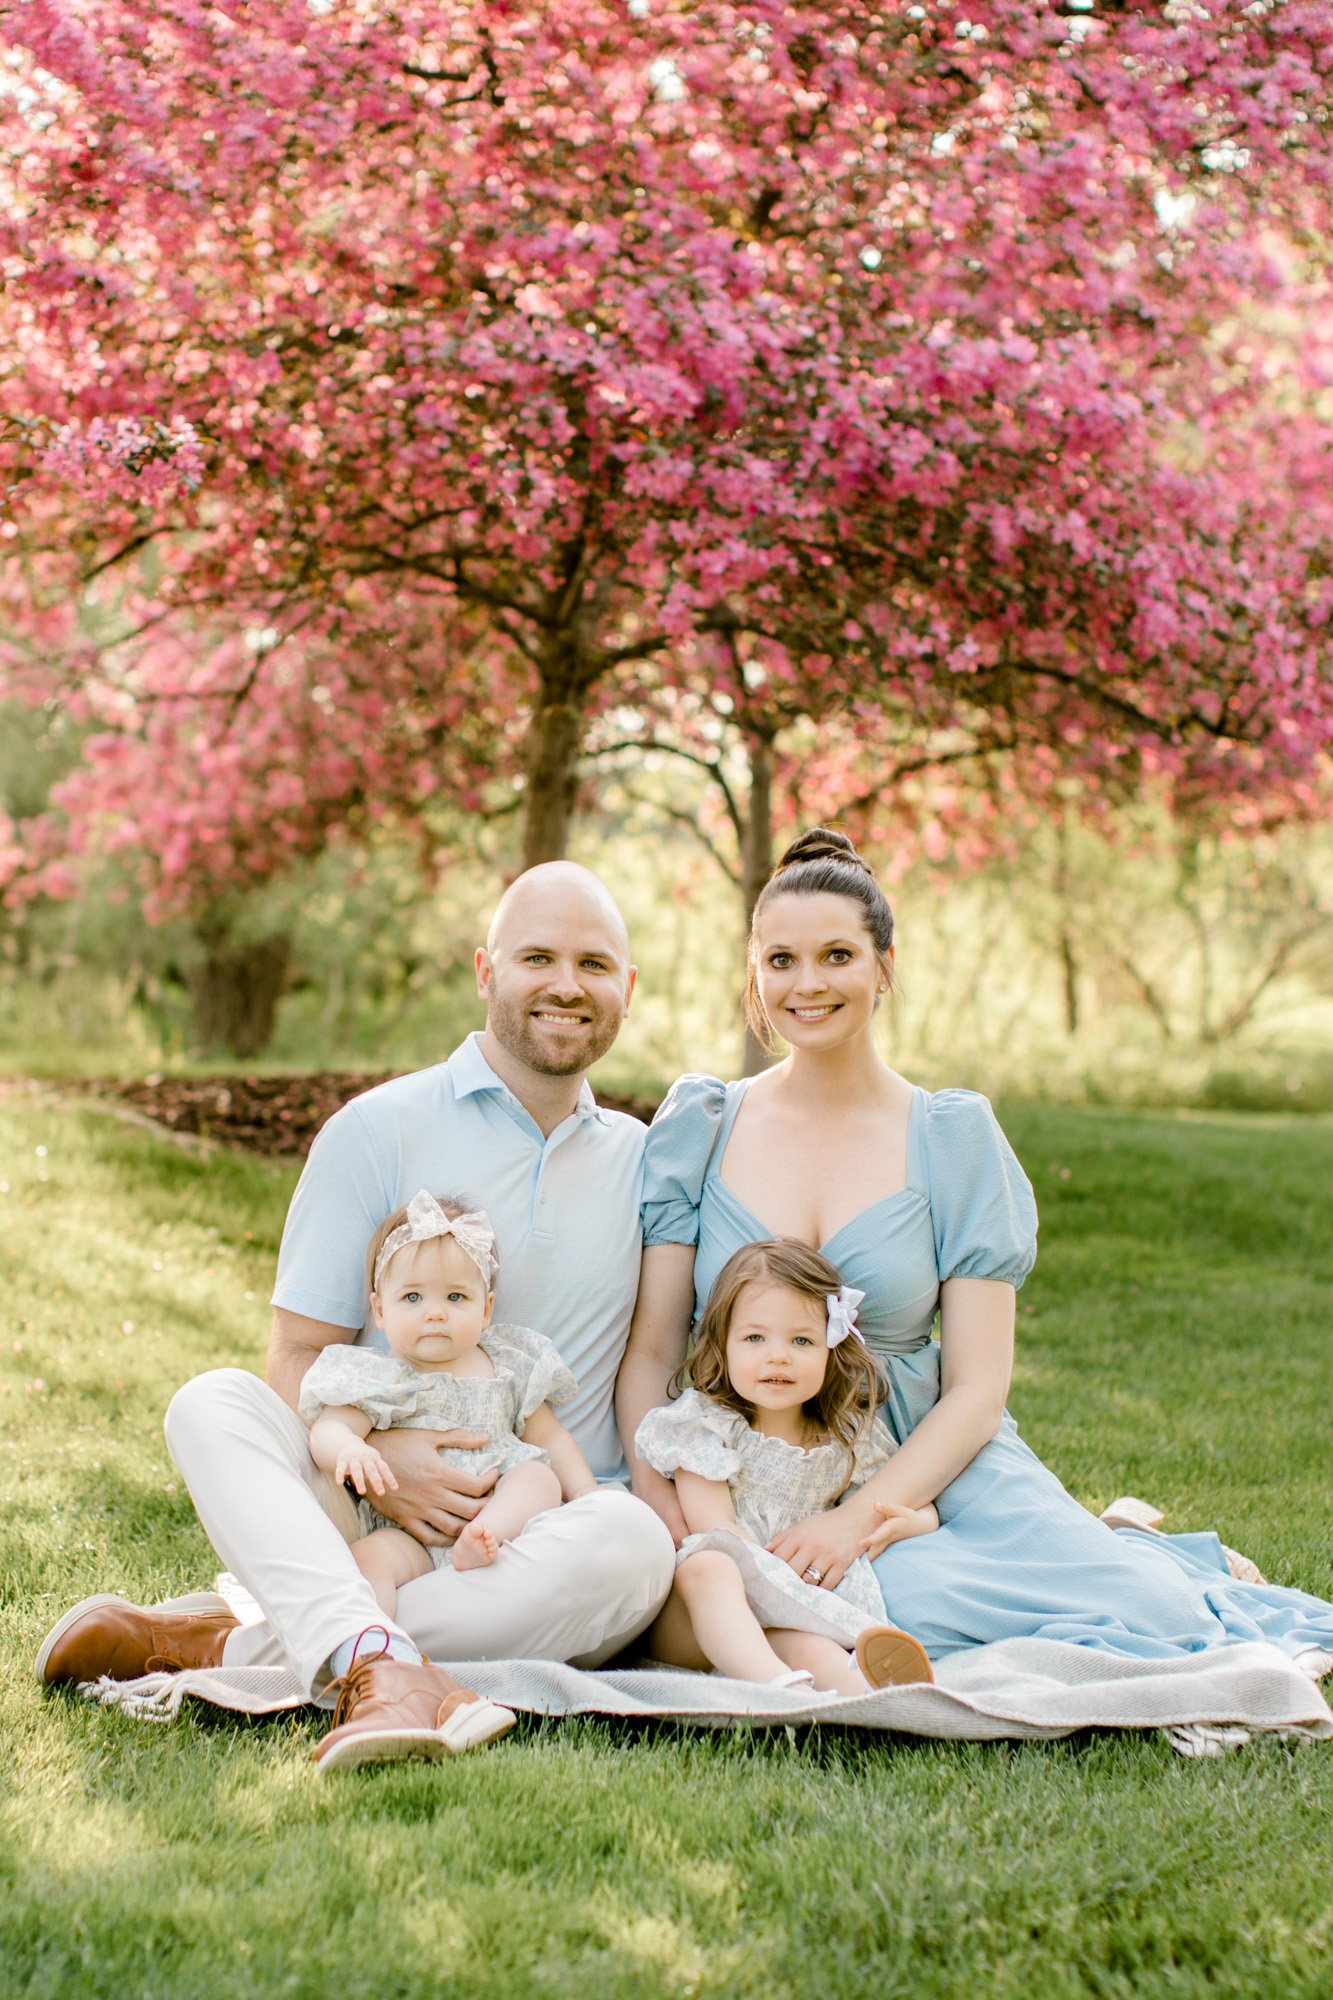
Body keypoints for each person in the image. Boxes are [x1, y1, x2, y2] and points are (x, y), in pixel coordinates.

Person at [617, 827, 1333, 1667]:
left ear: (884, 967)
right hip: (739, 1462)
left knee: (1151, 1618)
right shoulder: (701, 1124)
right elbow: (654, 1350)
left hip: (922, 1461)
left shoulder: (949, 1136)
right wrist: (661, 1499)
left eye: (837, 955)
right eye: (780, 961)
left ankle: (1123, 1556)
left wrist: (857, 1520)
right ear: (754, 972)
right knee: (681, 1596)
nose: (806, 984)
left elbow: (978, 1389)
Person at [38, 863, 676, 1769]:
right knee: (209, 1403)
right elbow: (299, 1356)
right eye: (537, 957)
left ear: (628, 988)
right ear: (486, 971)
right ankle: (369, 1655)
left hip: (536, 1541)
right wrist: (390, 1466)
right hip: (367, 1499)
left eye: (593, 964)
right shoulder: (376, 1129)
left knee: (632, 1546)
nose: (567, 985)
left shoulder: (644, 1163)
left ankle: (249, 1646)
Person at [635, 1237, 936, 1694]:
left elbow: (908, 1503)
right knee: (709, 1565)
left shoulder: (846, 1437)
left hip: (784, 1623)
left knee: (813, 1652)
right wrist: (796, 1588)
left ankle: (864, 1696)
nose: (778, 1355)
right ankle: (783, 1680)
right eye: (755, 1338)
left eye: (801, 1340)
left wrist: (909, 1522)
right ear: (723, 1344)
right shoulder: (707, 1424)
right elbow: (715, 1529)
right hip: (700, 1618)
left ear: (831, 1349)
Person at [304, 1190, 597, 1612]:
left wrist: (587, 1494)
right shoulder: (377, 1376)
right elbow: (330, 1428)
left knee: (539, 1478)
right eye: (413, 1297)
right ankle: (375, 1649)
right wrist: (349, 1449)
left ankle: (483, 1536)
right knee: (369, 1560)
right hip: (412, 1533)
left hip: (501, 1512)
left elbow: (550, 1435)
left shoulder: (506, 1363)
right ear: (379, 1311)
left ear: (486, 1309)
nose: (435, 1313)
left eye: (455, 1297)